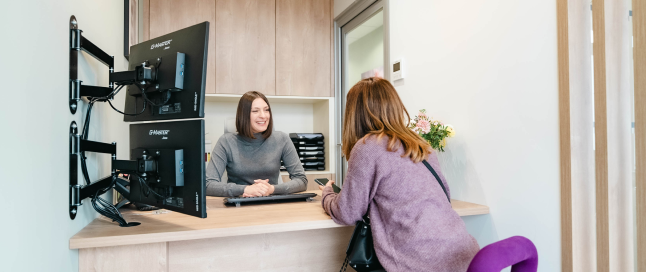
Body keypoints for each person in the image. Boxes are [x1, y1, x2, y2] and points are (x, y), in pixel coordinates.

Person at [320, 77, 479, 272]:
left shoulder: (367, 147)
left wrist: (327, 194)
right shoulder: (421, 144)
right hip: (465, 256)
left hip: (422, 262)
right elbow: (443, 194)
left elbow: (347, 213)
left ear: (354, 114)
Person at [205, 91, 308, 197]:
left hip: (273, 202)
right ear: (243, 115)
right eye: (255, 111)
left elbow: (301, 180)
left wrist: (272, 189)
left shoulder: (282, 139)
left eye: (266, 110)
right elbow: (207, 184)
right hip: (239, 203)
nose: (263, 116)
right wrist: (245, 189)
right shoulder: (226, 141)